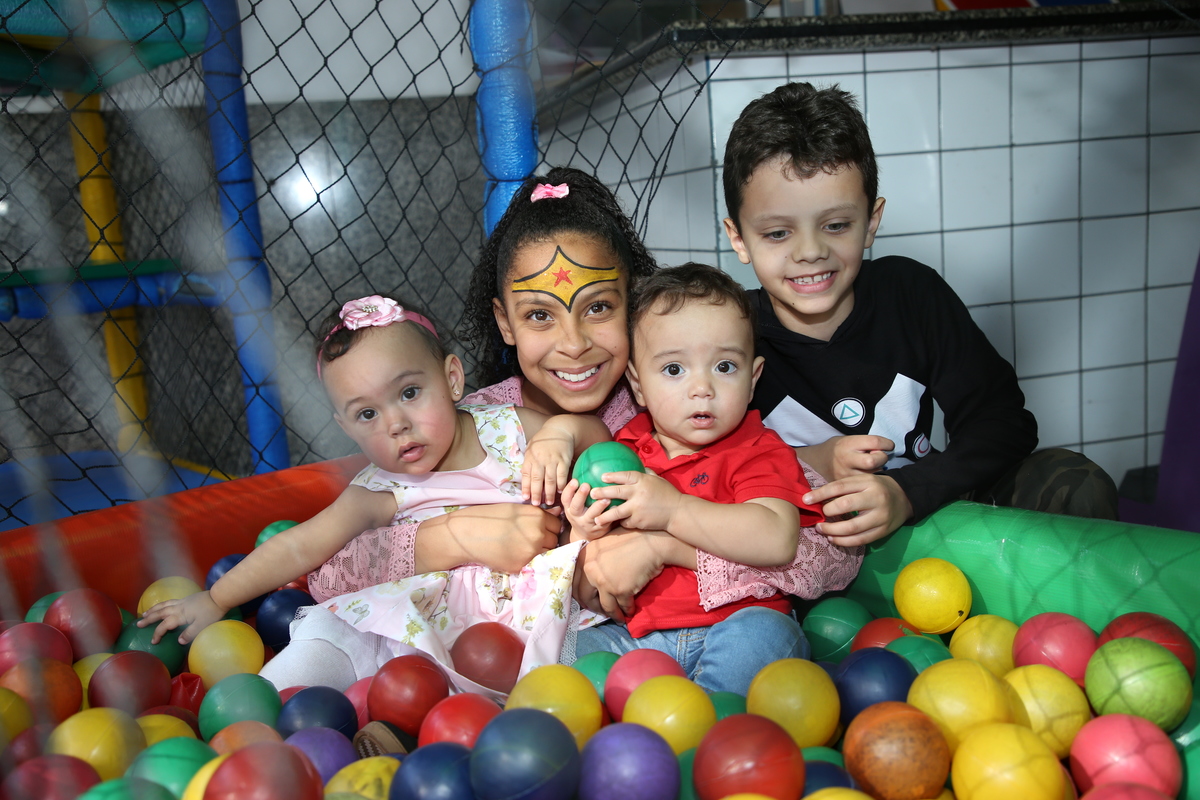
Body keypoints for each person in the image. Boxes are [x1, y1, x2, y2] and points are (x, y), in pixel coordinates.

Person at [307, 166, 862, 626]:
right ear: (505, 321)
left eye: (598, 307)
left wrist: (667, 551)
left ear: (632, 302)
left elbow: (824, 554)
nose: (573, 344)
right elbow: (326, 573)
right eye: (539, 315)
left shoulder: (674, 406)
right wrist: (452, 538)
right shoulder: (469, 427)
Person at [138, 295, 609, 692]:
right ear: (347, 429)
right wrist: (216, 599)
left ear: (451, 378)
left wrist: (562, 433)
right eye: (367, 415)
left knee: (582, 657)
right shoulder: (378, 491)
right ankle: (258, 720)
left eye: (409, 393)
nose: (396, 424)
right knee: (336, 634)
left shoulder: (509, 430)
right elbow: (299, 546)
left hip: (526, 620)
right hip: (415, 636)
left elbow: (600, 441)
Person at [721, 81, 1118, 548]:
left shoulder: (910, 294)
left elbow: (1003, 422)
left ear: (871, 221)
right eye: (777, 233)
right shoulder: (727, 328)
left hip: (928, 518)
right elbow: (695, 466)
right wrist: (813, 461)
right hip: (800, 545)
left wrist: (907, 492)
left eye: (836, 225)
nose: (810, 251)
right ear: (739, 238)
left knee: (1073, 481)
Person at [563, 263, 824, 695]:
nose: (702, 387)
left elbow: (777, 539)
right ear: (638, 385)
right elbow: (593, 589)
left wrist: (673, 509)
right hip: (636, 642)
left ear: (753, 378)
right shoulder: (621, 453)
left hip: (734, 625)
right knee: (563, 651)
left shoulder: (758, 450)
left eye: (724, 366)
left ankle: (710, 720)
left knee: (765, 637)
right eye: (673, 370)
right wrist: (584, 536)